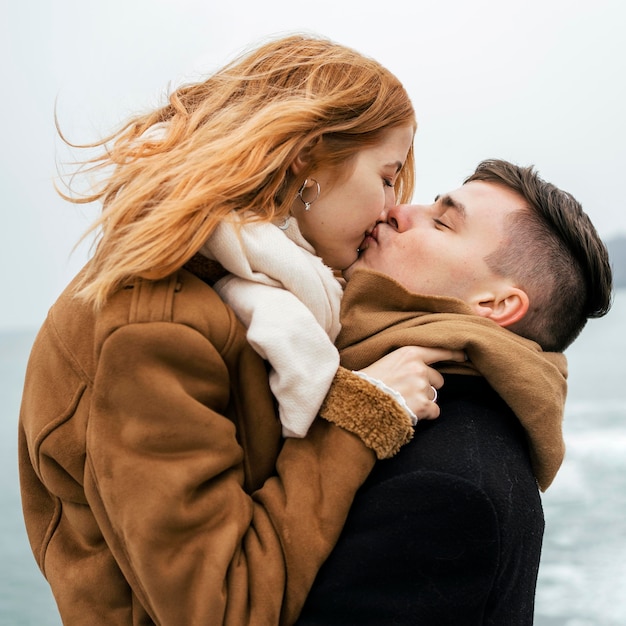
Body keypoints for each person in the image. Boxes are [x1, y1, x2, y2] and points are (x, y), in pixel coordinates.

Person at [17, 35, 464, 626]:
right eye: (386, 177)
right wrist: (363, 414)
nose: (390, 208)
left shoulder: (254, 291)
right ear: (308, 156)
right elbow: (222, 608)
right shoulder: (154, 329)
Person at [296, 159, 613, 625]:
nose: (399, 210)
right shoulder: (347, 370)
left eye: (442, 221)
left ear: (495, 304)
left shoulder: (447, 485)